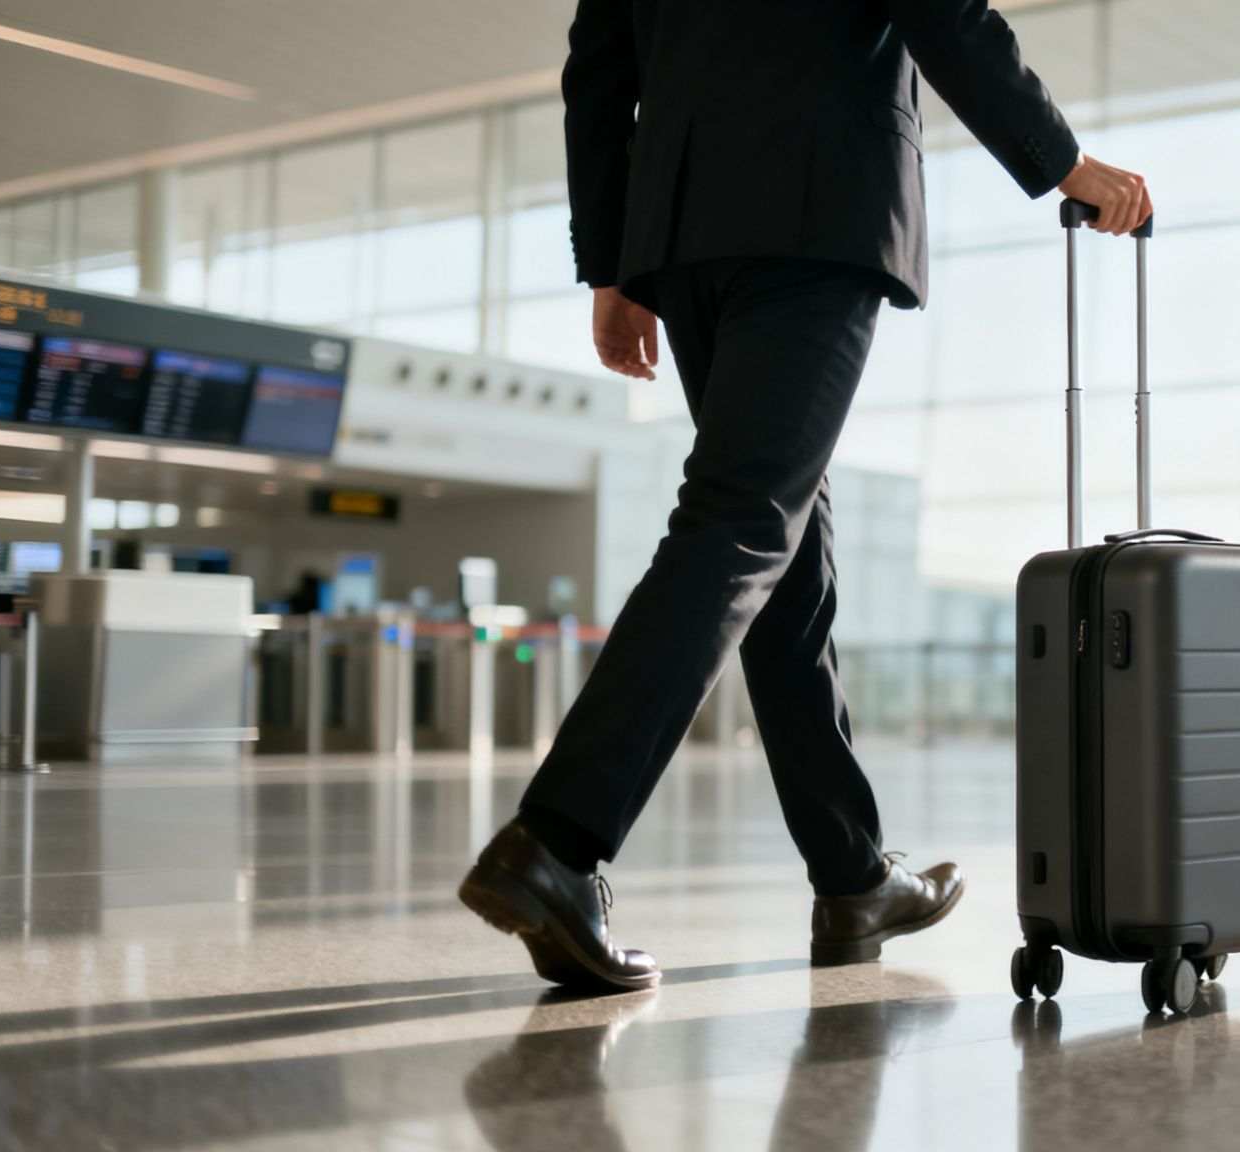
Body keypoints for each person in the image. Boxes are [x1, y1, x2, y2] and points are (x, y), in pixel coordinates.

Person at [458, 0, 1154, 991]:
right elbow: (942, 11)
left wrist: (611, 268)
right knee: (741, 523)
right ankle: (557, 842)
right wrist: (1062, 161)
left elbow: (598, 72)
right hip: (815, 204)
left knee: (782, 543)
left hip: (684, 230)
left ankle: (850, 872)